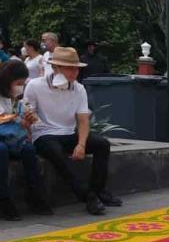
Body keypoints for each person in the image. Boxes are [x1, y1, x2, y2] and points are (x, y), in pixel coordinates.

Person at [25, 47, 121, 215]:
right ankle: (86, 196)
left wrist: (81, 144)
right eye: (69, 68)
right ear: (56, 68)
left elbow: (83, 120)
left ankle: (97, 191)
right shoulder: (35, 86)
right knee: (56, 152)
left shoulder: (79, 89)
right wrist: (28, 117)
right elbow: (28, 114)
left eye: (76, 68)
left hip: (68, 133)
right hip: (44, 134)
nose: (74, 72)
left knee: (102, 144)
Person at [0, 61, 52, 220]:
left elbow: (26, 125)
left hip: (14, 140)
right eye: (18, 83)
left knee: (29, 150)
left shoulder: (16, 99)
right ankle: (4, 198)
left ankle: (35, 195)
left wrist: (28, 122)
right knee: (1, 151)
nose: (20, 87)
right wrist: (15, 120)